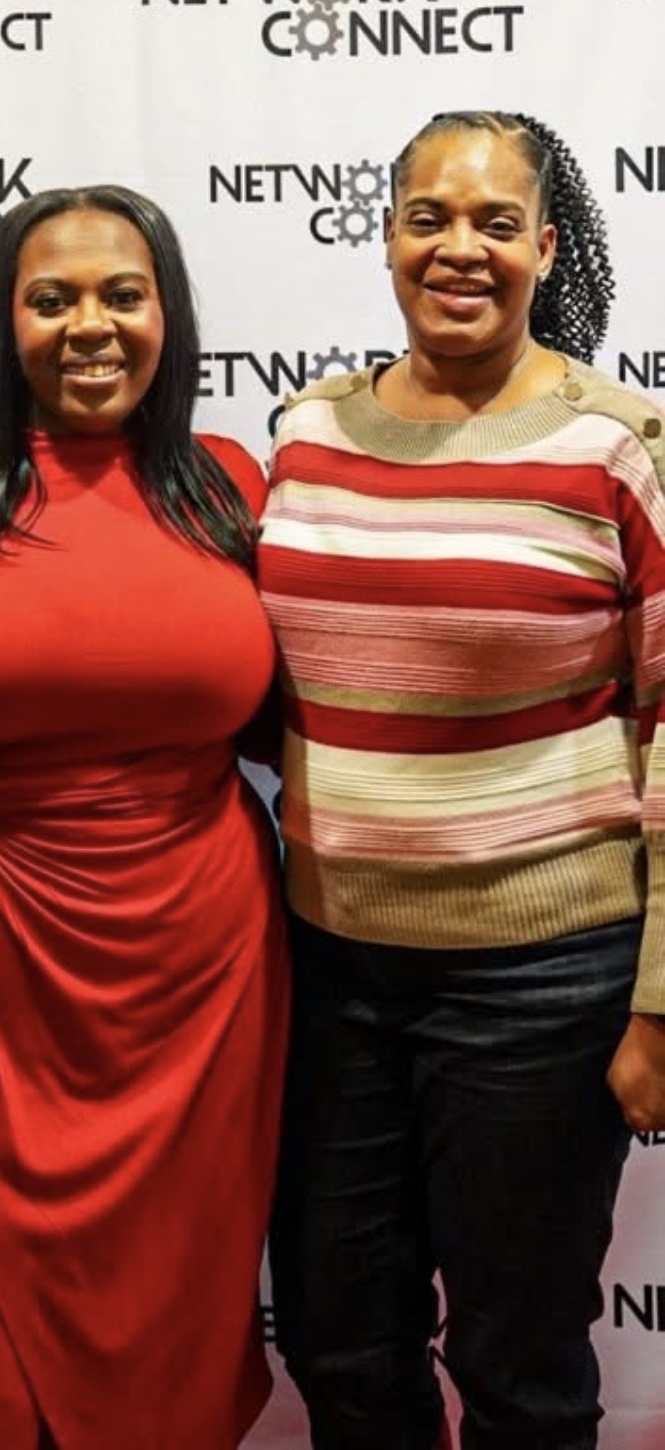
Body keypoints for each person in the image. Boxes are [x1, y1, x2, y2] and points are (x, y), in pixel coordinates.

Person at [0, 183, 288, 1450]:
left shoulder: (229, 485)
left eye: (123, 295)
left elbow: (311, 714)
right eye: (53, 298)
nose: (92, 326)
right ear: (4, 320)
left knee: (168, 1377)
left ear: (168, 313)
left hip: (200, 1003)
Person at [259, 110, 665, 1450]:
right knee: (337, 1337)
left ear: (546, 248)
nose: (459, 246)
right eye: (428, 215)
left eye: (496, 222)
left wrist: (658, 1005)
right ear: (382, 236)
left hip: (540, 982)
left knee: (518, 1356)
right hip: (326, 972)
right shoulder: (304, 430)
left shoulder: (618, 445)